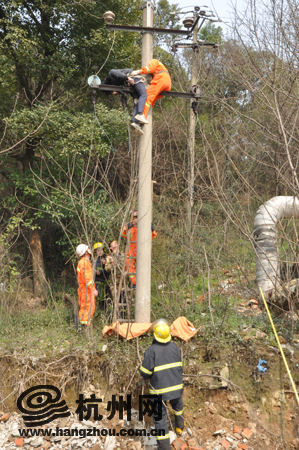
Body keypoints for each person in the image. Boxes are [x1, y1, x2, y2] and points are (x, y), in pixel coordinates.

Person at [140, 319, 184, 450]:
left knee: (160, 419)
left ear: (155, 334)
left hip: (158, 390)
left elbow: (145, 373)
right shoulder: (175, 347)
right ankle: (179, 428)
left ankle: (164, 447)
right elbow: (179, 367)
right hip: (176, 387)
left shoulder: (151, 350)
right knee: (178, 406)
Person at [102, 68, 149, 135]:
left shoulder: (111, 72)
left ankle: (135, 122)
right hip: (133, 81)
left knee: (137, 101)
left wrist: (128, 78)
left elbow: (119, 74)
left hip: (131, 79)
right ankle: (140, 114)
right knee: (143, 95)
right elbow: (122, 83)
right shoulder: (115, 82)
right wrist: (118, 91)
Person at [122, 210, 157, 287]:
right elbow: (123, 235)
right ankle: (135, 282)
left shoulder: (145, 225)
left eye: (137, 217)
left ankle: (144, 282)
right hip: (131, 248)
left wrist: (151, 229)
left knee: (143, 266)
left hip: (142, 249)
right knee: (128, 265)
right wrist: (128, 228)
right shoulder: (128, 225)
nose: (136, 218)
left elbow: (152, 237)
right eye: (134, 217)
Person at [76, 244, 98, 326]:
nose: (89, 249)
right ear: (85, 252)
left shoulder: (85, 262)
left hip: (86, 290)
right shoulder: (84, 263)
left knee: (87, 308)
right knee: (87, 308)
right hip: (87, 291)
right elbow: (87, 279)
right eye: (88, 248)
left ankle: (84, 327)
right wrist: (93, 289)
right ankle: (84, 329)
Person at [93, 242, 112, 312]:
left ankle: (107, 313)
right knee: (100, 298)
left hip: (106, 282)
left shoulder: (107, 258)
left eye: (101, 250)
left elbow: (109, 270)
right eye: (98, 250)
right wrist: (96, 272)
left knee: (108, 298)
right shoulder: (94, 261)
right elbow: (93, 272)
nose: (100, 252)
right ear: (95, 252)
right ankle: (99, 313)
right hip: (98, 282)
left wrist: (102, 270)